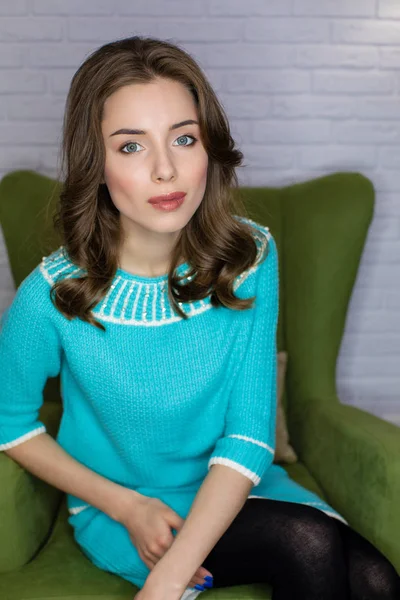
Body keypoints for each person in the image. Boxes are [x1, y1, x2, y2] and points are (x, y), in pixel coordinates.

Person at [0, 35, 398, 600]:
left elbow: (247, 435)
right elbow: (9, 421)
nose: (167, 170)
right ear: (97, 162)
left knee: (378, 582)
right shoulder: (54, 291)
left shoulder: (250, 256)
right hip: (126, 507)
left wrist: (167, 579)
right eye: (131, 147)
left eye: (184, 139)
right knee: (305, 544)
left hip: (233, 485)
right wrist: (126, 506)